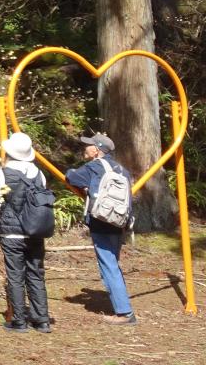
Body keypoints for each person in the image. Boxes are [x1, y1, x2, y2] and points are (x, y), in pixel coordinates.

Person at [65, 132, 136, 325]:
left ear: (96, 150)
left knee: (108, 266)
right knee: (113, 263)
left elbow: (72, 177)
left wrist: (72, 173)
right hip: (118, 222)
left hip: (101, 221)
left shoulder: (94, 167)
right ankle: (121, 306)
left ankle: (125, 313)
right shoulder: (121, 169)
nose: (85, 148)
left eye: (88, 145)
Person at [0, 131, 52, 333]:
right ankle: (42, 320)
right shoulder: (39, 174)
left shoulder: (1, 174)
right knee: (36, 274)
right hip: (35, 230)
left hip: (11, 233)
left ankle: (19, 321)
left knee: (15, 275)